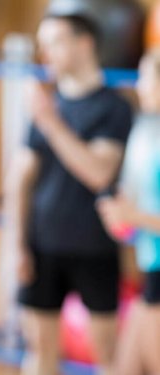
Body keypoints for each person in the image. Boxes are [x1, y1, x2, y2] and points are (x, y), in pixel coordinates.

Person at [7, 12, 133, 375]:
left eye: (56, 41)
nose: (47, 52)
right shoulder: (48, 107)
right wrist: (18, 244)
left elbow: (98, 172)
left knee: (107, 356)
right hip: (42, 246)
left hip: (95, 247)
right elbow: (20, 180)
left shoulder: (114, 107)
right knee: (40, 351)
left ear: (85, 43)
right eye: (43, 44)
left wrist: (49, 121)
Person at [98, 49, 160, 375]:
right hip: (149, 274)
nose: (141, 86)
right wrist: (121, 215)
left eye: (148, 77)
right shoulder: (147, 132)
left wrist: (134, 216)